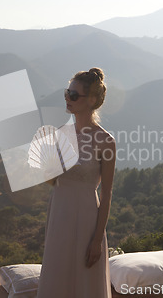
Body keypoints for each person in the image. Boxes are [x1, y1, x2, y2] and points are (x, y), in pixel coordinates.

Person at [37, 68, 116, 298]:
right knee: (57, 278)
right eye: (66, 93)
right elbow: (52, 180)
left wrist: (97, 240)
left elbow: (108, 193)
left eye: (73, 95)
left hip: (87, 221)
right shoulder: (60, 133)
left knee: (85, 283)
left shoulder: (106, 141)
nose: (67, 99)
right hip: (59, 215)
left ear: (91, 100)